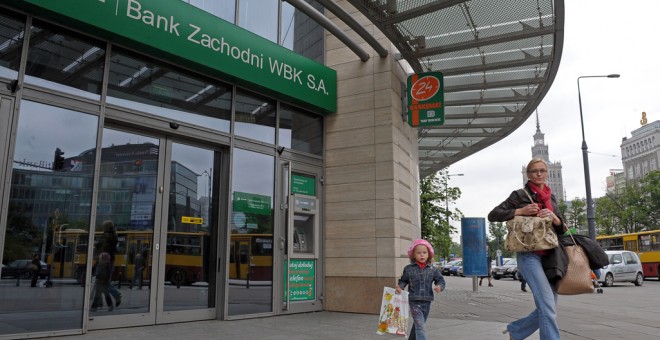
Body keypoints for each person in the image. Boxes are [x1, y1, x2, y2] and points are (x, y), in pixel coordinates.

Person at [488, 158, 566, 340]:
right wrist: (520, 211)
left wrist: (554, 217)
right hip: (529, 256)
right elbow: (493, 215)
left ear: (547, 173)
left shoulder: (551, 197)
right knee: (547, 306)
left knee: (549, 306)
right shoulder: (519, 195)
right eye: (534, 171)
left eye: (542, 170)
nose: (539, 174)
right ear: (528, 174)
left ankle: (516, 331)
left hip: (552, 257)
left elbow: (563, 228)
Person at [395, 239, 446, 340]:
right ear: (413, 255)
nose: (422, 255)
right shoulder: (409, 269)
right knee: (420, 326)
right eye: (418, 253)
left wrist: (439, 287)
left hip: (427, 301)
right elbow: (403, 280)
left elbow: (441, 280)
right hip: (414, 301)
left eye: (424, 252)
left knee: (419, 324)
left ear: (429, 254)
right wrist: (400, 287)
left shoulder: (433, 269)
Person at [96, 220, 122, 307]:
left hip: (106, 262)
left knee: (103, 283)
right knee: (102, 282)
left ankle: (115, 296)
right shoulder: (109, 236)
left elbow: (102, 247)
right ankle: (101, 302)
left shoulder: (109, 236)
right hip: (104, 261)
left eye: (103, 226)